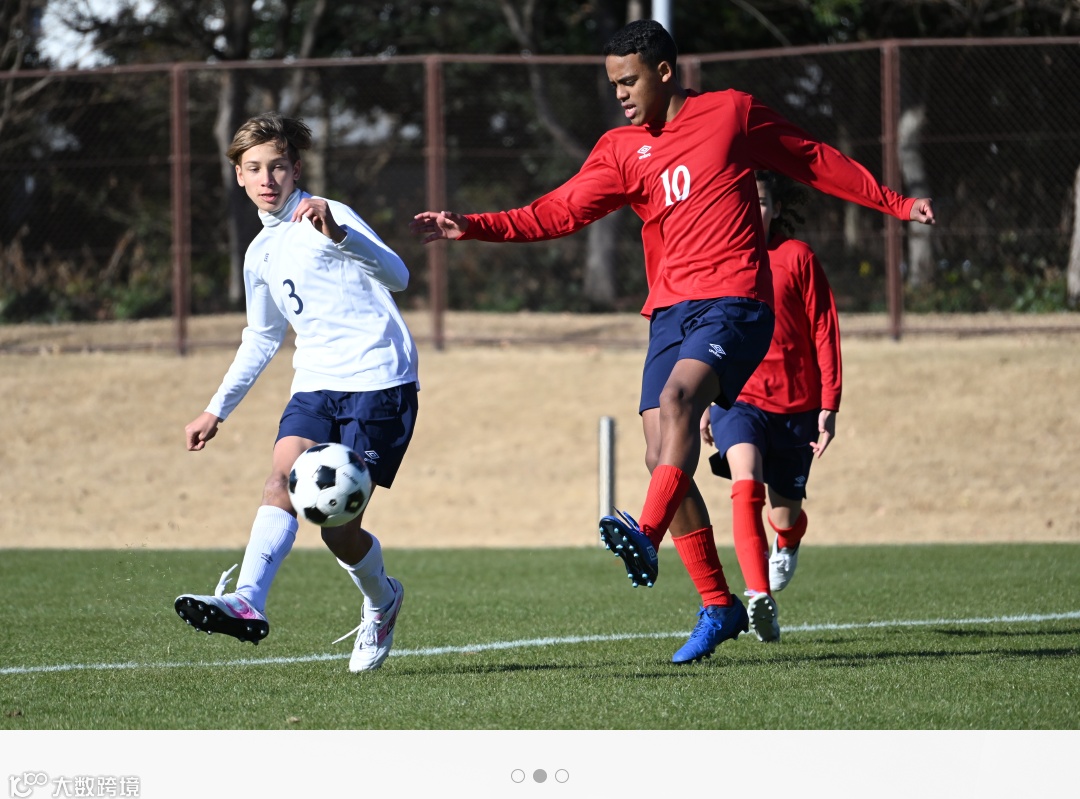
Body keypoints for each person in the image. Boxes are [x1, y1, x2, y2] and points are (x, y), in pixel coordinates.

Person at [410, 19, 934, 663]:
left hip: (735, 301)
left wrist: (895, 203)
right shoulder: (620, 149)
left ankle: (646, 531)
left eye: (629, 81)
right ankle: (719, 604)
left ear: (664, 72)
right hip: (668, 314)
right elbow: (559, 210)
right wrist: (473, 225)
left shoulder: (730, 114)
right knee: (662, 451)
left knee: (681, 401)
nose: (620, 94)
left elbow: (812, 158)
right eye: (613, 84)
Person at [174, 112, 419, 673]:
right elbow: (262, 337)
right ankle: (248, 600)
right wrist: (216, 410)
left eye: (278, 166)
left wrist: (341, 236)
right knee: (279, 481)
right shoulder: (259, 253)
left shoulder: (328, 215)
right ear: (239, 175)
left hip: (378, 380)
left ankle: (382, 601)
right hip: (314, 384)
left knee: (337, 530)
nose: (267, 178)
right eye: (254, 168)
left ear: (296, 169)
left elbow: (399, 276)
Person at [698, 169, 840, 646]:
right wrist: (702, 396)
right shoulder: (719, 260)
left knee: (784, 515)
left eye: (759, 201)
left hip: (796, 406)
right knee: (745, 481)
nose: (750, 209)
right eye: (741, 199)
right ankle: (760, 596)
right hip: (739, 399)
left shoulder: (797, 257)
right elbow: (705, 334)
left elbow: (825, 329)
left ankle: (789, 539)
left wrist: (830, 403)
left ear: (776, 208)